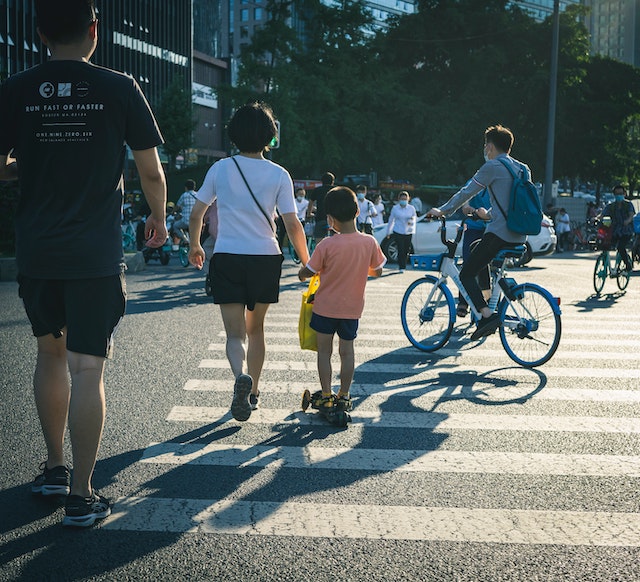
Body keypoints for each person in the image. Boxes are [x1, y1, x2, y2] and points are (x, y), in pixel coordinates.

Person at [0, 0, 167, 527]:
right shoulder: (120, 87)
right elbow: (151, 171)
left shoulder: (17, 89)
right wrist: (158, 218)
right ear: (94, 29)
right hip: (94, 253)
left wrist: (32, 163)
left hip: (39, 250)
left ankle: (52, 468)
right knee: (87, 366)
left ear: (41, 33)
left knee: (50, 357)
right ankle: (81, 494)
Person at [188, 102, 309, 421]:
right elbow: (292, 223)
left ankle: (238, 376)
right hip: (265, 258)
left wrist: (195, 245)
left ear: (234, 134)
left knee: (233, 334)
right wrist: (307, 261)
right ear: (271, 136)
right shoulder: (279, 174)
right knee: (256, 331)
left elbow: (198, 212)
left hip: (227, 256)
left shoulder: (220, 169)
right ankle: (253, 391)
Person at [427, 125, 528, 341]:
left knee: (465, 273)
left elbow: (467, 193)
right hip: (520, 234)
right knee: (476, 251)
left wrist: (442, 210)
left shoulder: (492, 166)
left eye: (486, 145)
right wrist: (487, 215)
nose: (485, 149)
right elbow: (512, 204)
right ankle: (489, 297)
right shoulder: (522, 168)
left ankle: (486, 315)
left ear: (490, 146)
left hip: (499, 234)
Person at [298, 186, 385, 412]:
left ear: (330, 218)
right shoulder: (369, 243)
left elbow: (309, 270)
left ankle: (326, 395)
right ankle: (344, 395)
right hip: (352, 309)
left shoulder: (326, 244)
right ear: (357, 211)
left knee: (324, 352)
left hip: (325, 308)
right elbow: (378, 270)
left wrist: (301, 273)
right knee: (347, 352)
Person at [456, 187, 491, 318]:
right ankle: (463, 301)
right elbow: (466, 197)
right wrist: (467, 207)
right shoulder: (477, 182)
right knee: (468, 264)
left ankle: (488, 302)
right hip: (475, 229)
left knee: (484, 267)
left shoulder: (500, 182)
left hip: (491, 229)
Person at [601, 184, 634, 272]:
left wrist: (627, 220)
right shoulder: (611, 206)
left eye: (621, 193)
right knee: (605, 244)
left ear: (624, 194)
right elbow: (602, 215)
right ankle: (605, 263)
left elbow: (631, 215)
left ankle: (628, 265)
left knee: (621, 247)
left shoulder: (628, 205)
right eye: (617, 194)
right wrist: (595, 219)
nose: (619, 195)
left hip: (626, 232)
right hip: (615, 231)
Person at [386, 191, 417, 272]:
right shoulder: (395, 208)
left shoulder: (411, 208)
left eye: (405, 199)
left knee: (406, 249)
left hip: (408, 231)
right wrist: (388, 232)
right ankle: (401, 266)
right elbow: (391, 220)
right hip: (398, 230)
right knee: (400, 248)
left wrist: (411, 221)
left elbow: (414, 218)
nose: (403, 200)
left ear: (408, 199)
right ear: (399, 199)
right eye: (402, 199)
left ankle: (404, 264)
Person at [308, 172, 335, 242]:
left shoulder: (317, 190)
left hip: (320, 218)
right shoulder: (336, 190)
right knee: (336, 239)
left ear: (322, 181)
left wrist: (309, 213)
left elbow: (311, 202)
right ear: (332, 181)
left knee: (319, 241)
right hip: (334, 220)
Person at [171, 179, 198, 245]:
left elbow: (177, 206)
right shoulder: (198, 195)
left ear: (186, 187)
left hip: (186, 222)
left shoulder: (184, 195)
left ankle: (185, 239)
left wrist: (172, 212)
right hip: (197, 221)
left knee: (175, 226)